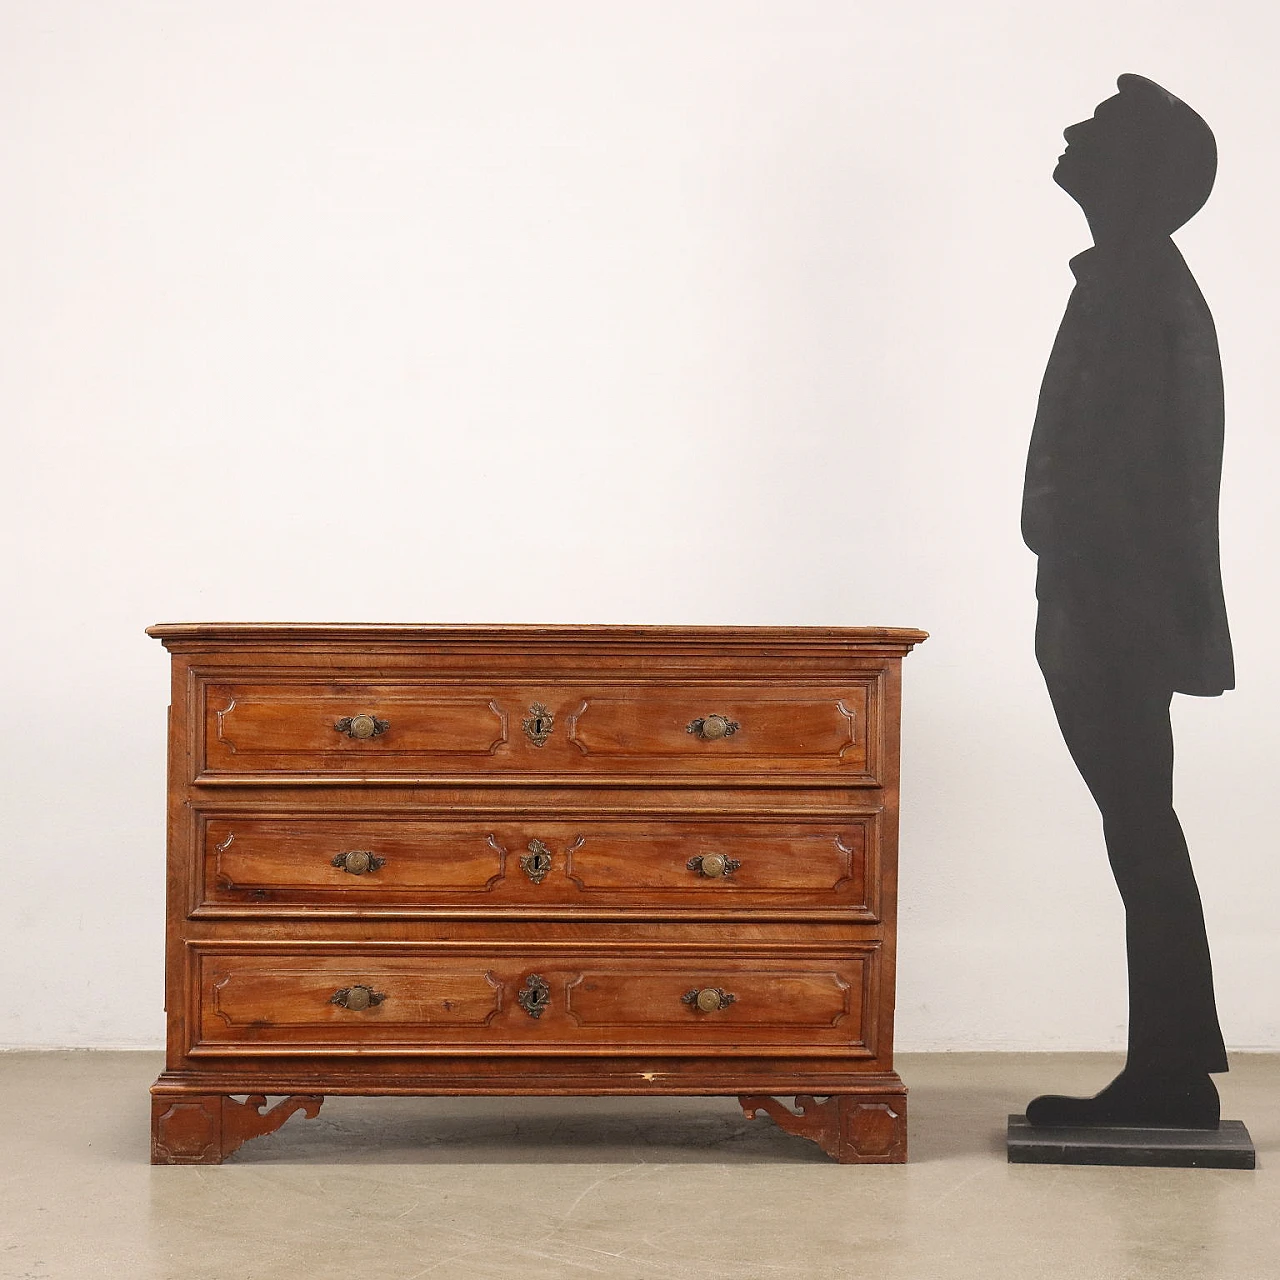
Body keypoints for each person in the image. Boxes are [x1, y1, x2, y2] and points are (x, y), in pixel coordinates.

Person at [1021, 74, 1232, 1128]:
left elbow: (1152, 474)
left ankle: (1171, 1071)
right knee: (1139, 824)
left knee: (1139, 824)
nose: (1072, 130)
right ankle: (1172, 1062)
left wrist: (1094, 590)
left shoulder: (1140, 290)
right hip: (1103, 596)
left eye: (1100, 127)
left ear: (1139, 172)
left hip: (1116, 604)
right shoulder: (1129, 282)